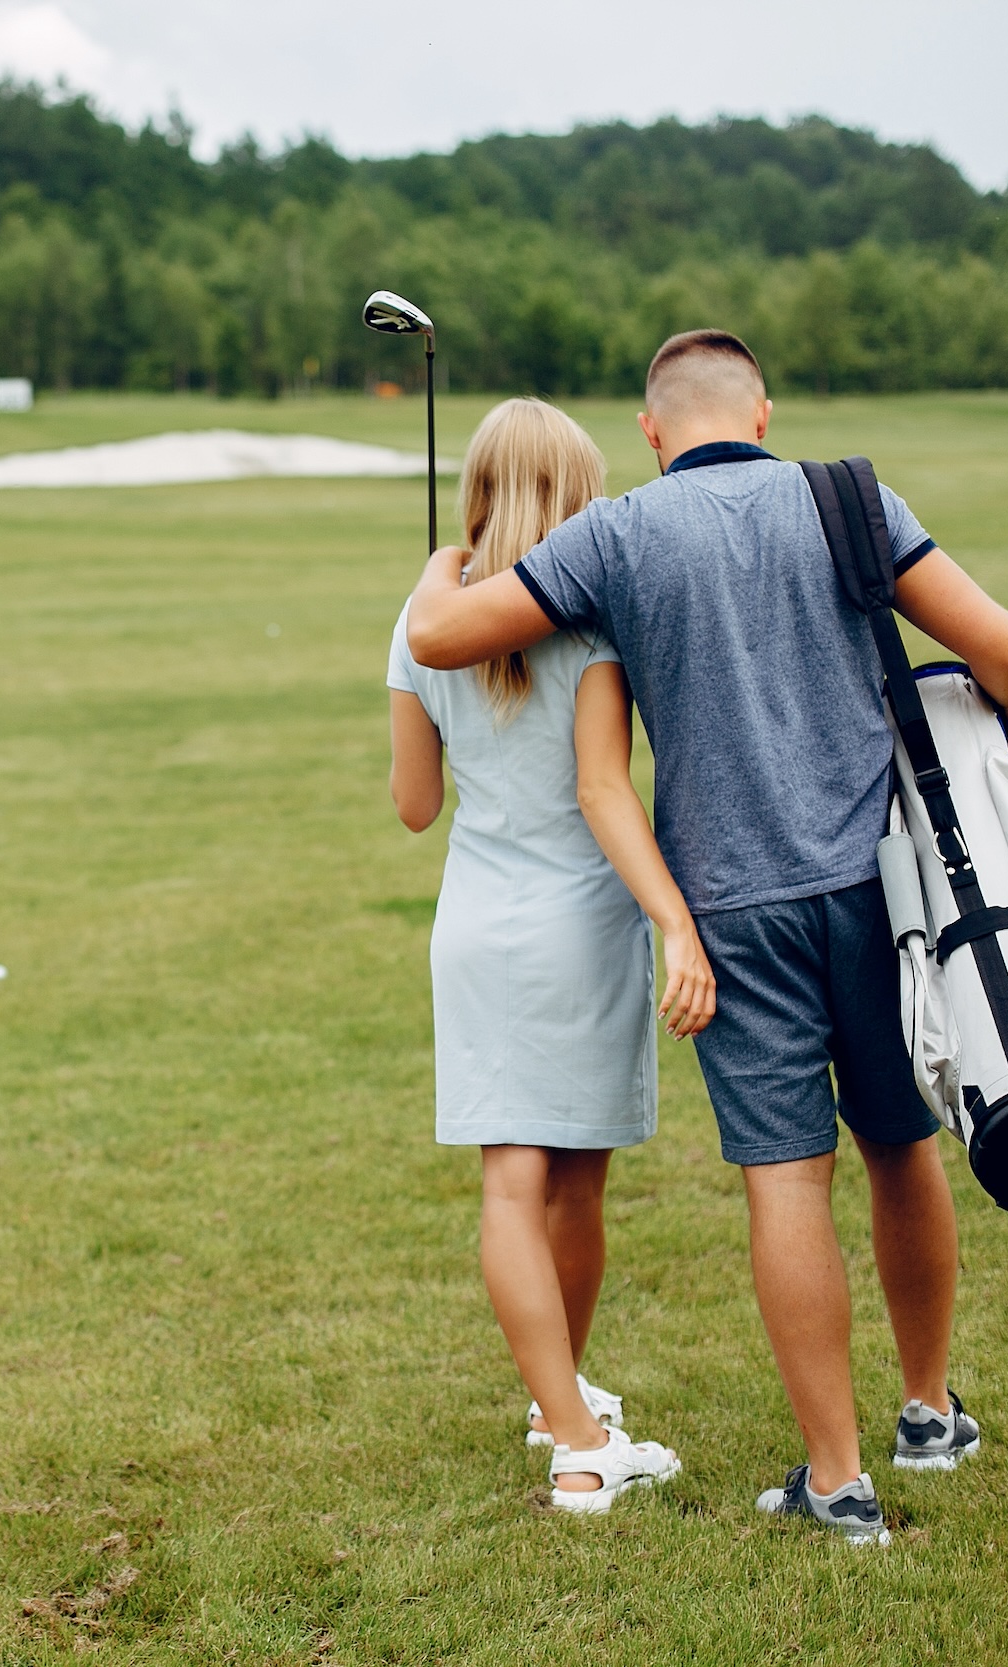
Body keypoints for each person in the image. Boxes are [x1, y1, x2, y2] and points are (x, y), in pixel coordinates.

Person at [402, 332, 1008, 1542]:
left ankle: (836, 1477)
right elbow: (1001, 647)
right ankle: (928, 1409)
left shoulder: (616, 533)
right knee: (900, 1145)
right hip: (877, 883)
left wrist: (435, 570)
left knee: (785, 1175)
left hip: (731, 907)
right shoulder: (851, 498)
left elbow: (441, 638)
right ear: (763, 409)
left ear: (649, 430)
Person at [387, 398, 712, 1514]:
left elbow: (414, 806)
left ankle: (556, 1402)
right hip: (581, 925)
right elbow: (602, 786)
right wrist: (673, 915)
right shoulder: (593, 623)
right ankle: (577, 1441)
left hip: (477, 928)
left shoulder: (420, 618)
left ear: (478, 489)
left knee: (514, 1179)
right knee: (570, 1180)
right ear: (576, 496)